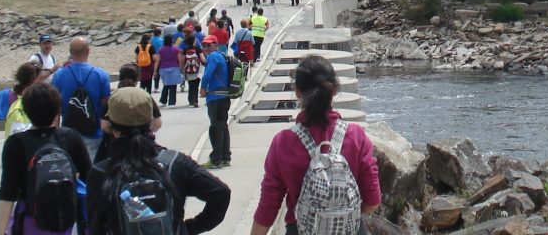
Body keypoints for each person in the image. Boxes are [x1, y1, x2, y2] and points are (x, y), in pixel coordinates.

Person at [250, 56, 380, 234]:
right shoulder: (356, 136)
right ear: (334, 90)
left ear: (297, 92)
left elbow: (268, 208)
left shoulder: (283, 142)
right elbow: (373, 201)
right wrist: (344, 216)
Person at [88, 87, 230, 234]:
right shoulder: (175, 163)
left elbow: (94, 226)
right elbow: (221, 193)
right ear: (150, 121)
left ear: (111, 125)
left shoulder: (100, 172)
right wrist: (188, 229)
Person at [0, 82, 92, 235]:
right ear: (57, 110)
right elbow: (90, 177)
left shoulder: (16, 143)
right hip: (66, 218)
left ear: (27, 111)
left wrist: (1, 231)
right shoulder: (70, 137)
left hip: (30, 218)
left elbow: (7, 191)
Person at [50, 36, 112, 160]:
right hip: (94, 131)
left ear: (70, 52)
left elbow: (55, 106)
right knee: (92, 171)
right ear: (88, 51)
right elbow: (106, 104)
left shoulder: (58, 76)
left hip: (68, 131)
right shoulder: (101, 75)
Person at [95, 63, 163, 164]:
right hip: (144, 146)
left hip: (117, 149)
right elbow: (157, 123)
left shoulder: (114, 97)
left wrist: (115, 132)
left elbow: (104, 126)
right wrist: (147, 130)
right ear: (137, 78)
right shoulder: (144, 96)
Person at [199, 37, 232, 169]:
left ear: (215, 45)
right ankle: (225, 157)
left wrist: (202, 88)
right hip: (224, 96)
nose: (205, 48)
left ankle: (216, 159)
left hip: (215, 97)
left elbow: (207, 74)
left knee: (215, 128)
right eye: (204, 45)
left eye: (208, 45)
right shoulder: (221, 56)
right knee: (223, 126)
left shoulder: (213, 57)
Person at [0, 61, 40, 129]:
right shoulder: (39, 97)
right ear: (35, 79)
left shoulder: (4, 95)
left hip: (12, 137)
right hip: (33, 137)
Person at [157, 35, 183, 107]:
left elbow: (157, 60)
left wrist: (155, 70)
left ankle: (163, 100)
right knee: (173, 86)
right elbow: (179, 59)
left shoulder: (161, 50)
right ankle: (172, 102)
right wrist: (181, 67)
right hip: (174, 68)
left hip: (163, 69)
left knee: (166, 84)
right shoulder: (175, 49)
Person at [182, 37, 205, 108]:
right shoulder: (198, 49)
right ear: (194, 41)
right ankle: (195, 101)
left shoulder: (185, 50)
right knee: (196, 85)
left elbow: (183, 61)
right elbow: (203, 59)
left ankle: (190, 100)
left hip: (188, 70)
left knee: (190, 85)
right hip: (197, 70)